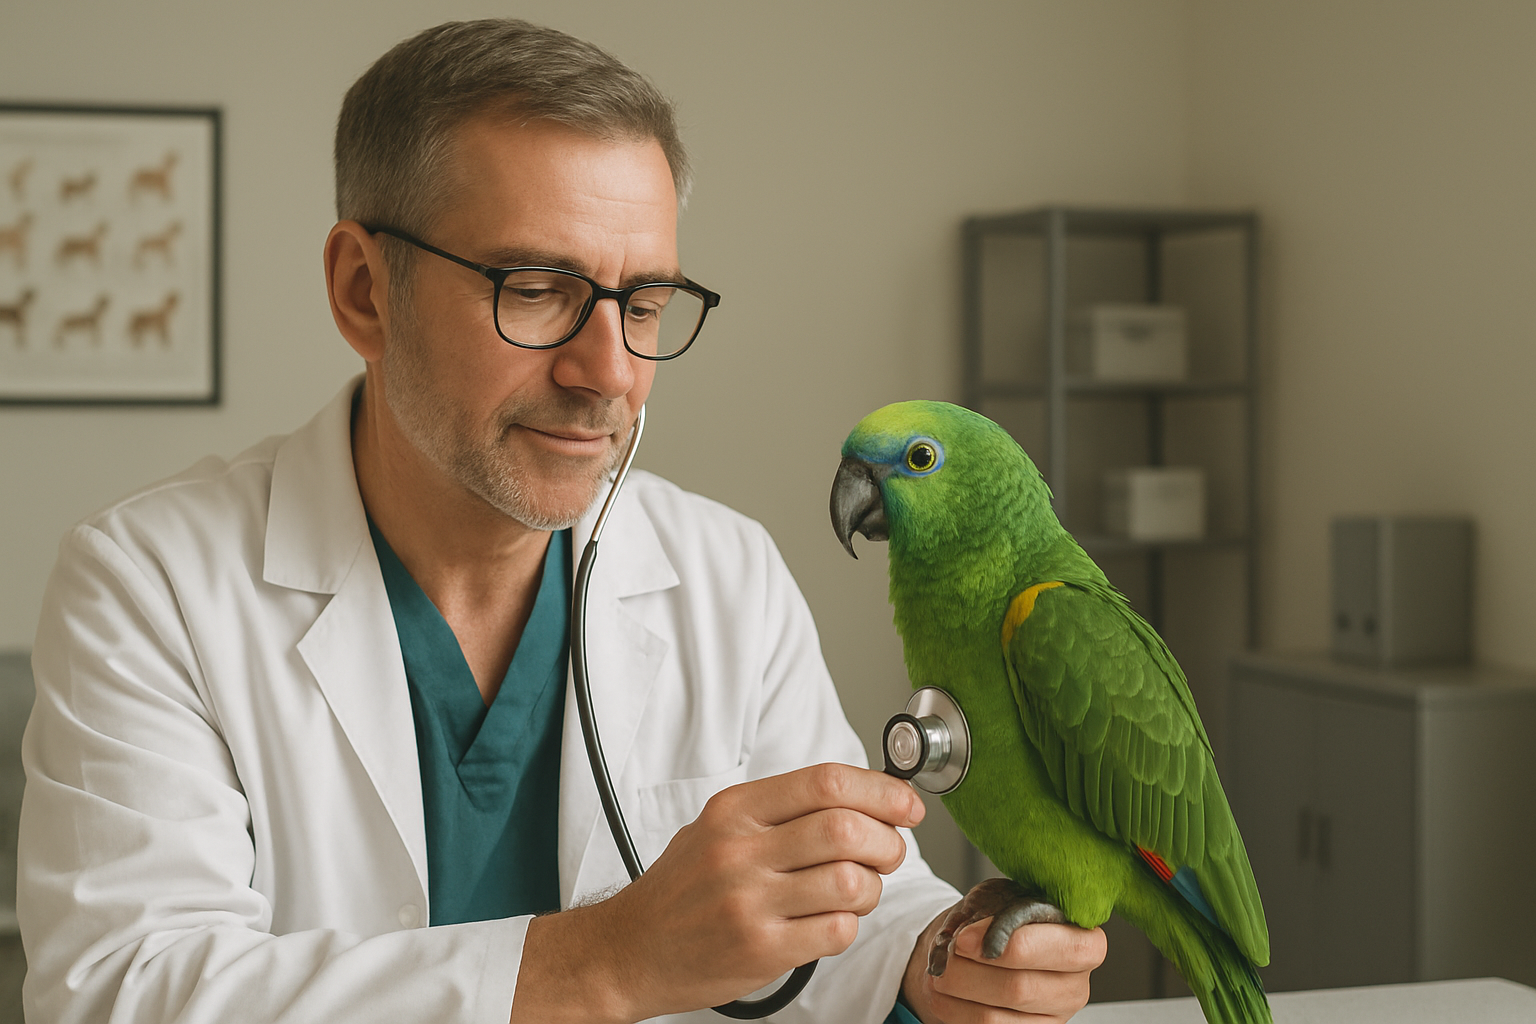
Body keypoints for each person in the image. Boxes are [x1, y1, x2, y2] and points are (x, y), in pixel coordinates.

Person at [17, 19, 1105, 1024]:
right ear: (364, 292)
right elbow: (123, 987)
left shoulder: (722, 570)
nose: (610, 372)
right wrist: (610, 956)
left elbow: (845, 920)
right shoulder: (150, 581)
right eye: (536, 290)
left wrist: (936, 966)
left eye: (643, 305)